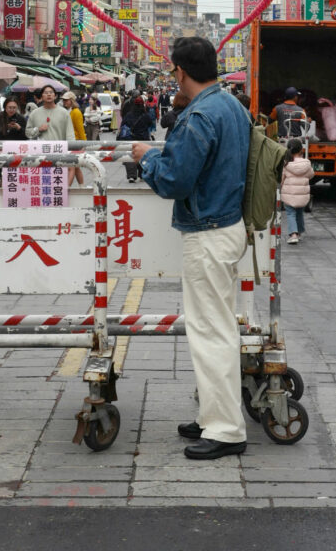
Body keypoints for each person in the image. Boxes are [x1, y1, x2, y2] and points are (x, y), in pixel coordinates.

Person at [132, 36, 250, 461]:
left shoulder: (198, 116)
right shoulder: (232, 106)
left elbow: (175, 181)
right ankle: (211, 416)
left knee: (211, 332)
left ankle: (225, 429)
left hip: (208, 232)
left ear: (180, 72)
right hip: (228, 225)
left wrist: (147, 158)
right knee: (218, 327)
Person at [280, 138, 314, 244]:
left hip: (289, 194)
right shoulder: (306, 163)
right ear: (301, 150)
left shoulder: (286, 164)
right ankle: (299, 232)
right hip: (302, 194)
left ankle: (293, 234)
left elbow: (282, 179)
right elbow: (311, 175)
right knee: (299, 213)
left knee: (290, 213)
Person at [61, 91, 85, 186]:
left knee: (71, 166)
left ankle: (68, 187)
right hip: (71, 142)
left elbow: (80, 129)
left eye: (66, 100)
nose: (64, 102)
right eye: (64, 100)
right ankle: (82, 186)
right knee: (76, 167)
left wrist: (83, 144)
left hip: (75, 142)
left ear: (71, 100)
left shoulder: (76, 112)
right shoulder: (69, 111)